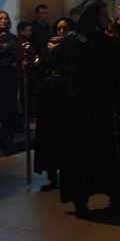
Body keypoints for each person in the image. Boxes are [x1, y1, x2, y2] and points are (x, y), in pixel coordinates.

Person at [46, 0, 120, 217]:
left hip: (77, 104)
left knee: (79, 153)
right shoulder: (103, 42)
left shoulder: (70, 40)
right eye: (104, 15)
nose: (108, 19)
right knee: (103, 151)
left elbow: (52, 61)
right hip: (96, 104)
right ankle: (115, 197)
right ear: (95, 16)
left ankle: (81, 201)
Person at [33, 17, 74, 191]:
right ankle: (50, 175)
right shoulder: (49, 46)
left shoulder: (73, 47)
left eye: (65, 28)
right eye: (59, 28)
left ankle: (69, 175)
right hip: (49, 95)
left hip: (66, 95)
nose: (61, 32)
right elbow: (40, 68)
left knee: (65, 136)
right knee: (48, 135)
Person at [0, 10, 19, 152]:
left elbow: (12, 56)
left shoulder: (13, 37)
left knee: (8, 107)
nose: (4, 20)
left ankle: (8, 138)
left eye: (6, 18)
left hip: (8, 77)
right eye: (1, 18)